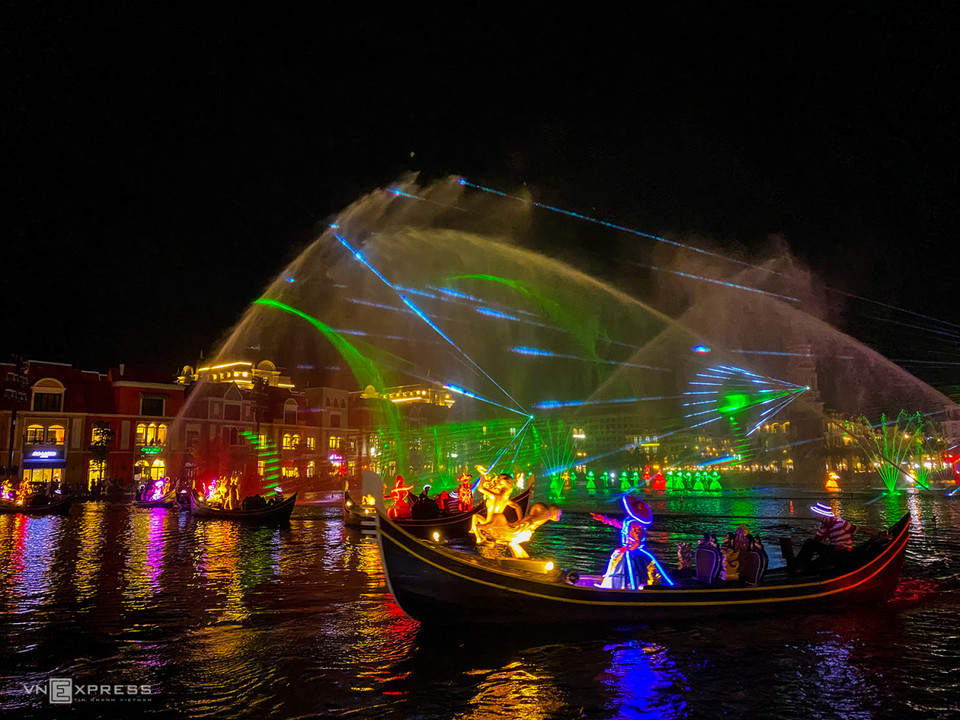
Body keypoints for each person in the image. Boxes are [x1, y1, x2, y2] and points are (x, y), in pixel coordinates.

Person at [591, 495, 674, 589]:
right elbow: (620, 525)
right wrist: (604, 519)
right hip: (627, 548)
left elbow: (638, 541)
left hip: (634, 550)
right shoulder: (628, 521)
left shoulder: (637, 524)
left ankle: (630, 587)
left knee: (626, 564)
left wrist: (627, 549)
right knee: (615, 558)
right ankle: (610, 584)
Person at [786, 502, 879, 576]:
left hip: (842, 552)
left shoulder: (841, 523)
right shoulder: (823, 526)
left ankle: (802, 567)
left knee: (825, 558)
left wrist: (875, 533)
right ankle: (799, 566)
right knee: (810, 543)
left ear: (823, 515)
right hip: (832, 549)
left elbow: (859, 530)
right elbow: (815, 542)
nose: (816, 516)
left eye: (817, 514)